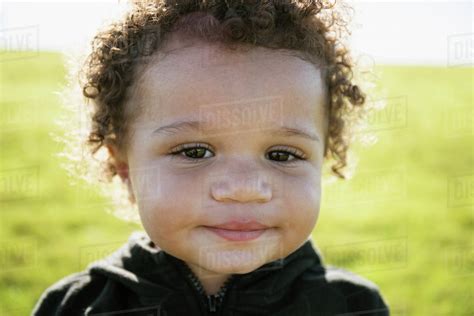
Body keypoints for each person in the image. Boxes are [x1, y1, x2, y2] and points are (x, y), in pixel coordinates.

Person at [33, 0, 389, 315]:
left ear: (323, 156)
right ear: (124, 166)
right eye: (195, 152)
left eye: (281, 154)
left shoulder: (352, 306)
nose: (244, 188)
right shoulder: (77, 306)